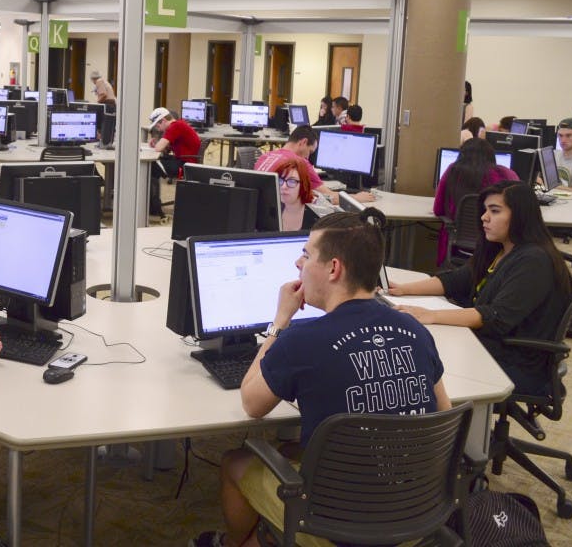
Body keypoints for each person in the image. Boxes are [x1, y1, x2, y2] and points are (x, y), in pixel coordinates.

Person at [191, 209, 449, 547]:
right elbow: (442, 415)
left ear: (334, 268)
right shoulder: (415, 330)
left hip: (334, 525)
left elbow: (252, 403)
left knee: (234, 461)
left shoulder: (303, 340)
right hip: (414, 514)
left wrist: (279, 321)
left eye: (306, 254)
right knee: (290, 448)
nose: (298, 264)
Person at [391, 181, 571, 395]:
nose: (484, 217)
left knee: (419, 363)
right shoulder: (500, 249)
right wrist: (403, 290)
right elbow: (457, 280)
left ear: (521, 215)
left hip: (516, 363)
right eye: (485, 210)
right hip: (490, 346)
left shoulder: (534, 261)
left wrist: (430, 315)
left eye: (494, 211)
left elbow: (495, 317)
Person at [434, 138, 518, 265]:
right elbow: (518, 208)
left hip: (460, 246)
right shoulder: (506, 174)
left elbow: (438, 210)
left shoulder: (452, 171)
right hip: (497, 246)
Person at [254, 126, 373, 206]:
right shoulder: (300, 163)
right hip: (286, 219)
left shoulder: (265, 157)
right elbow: (330, 197)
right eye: (310, 152)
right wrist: (357, 198)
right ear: (303, 142)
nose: (308, 158)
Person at [145, 107, 201, 216]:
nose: (158, 129)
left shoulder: (175, 127)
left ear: (164, 120)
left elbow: (158, 148)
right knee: (153, 164)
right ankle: (153, 206)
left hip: (185, 166)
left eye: (158, 125)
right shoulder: (178, 125)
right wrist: (157, 143)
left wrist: (157, 144)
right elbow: (166, 148)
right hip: (184, 160)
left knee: (150, 168)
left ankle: (154, 207)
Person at [271, 156, 317, 231]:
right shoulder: (272, 208)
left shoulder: (315, 215)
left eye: (292, 181)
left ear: (304, 185)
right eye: (280, 180)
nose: (283, 186)